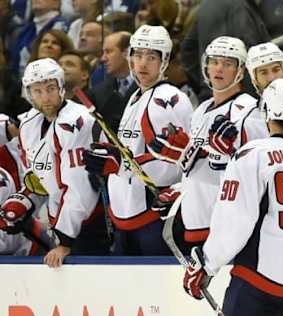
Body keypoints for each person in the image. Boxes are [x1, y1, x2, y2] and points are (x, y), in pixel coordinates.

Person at [183, 78, 283, 316]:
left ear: (266, 111)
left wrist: (207, 264)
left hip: (262, 283)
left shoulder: (252, 154)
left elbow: (234, 221)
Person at [147, 36, 268, 248]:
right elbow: (194, 167)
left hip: (226, 228)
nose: (219, 68)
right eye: (214, 62)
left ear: (240, 70)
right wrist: (180, 189)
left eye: (228, 63)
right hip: (195, 223)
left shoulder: (251, 112)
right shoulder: (201, 110)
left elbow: (255, 176)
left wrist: (218, 159)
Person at [83, 25, 193, 255]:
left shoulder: (169, 99)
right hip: (127, 215)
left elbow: (174, 164)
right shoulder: (136, 96)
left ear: (164, 61)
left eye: (151, 57)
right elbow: (134, 150)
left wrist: (120, 165)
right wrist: (112, 153)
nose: (142, 63)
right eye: (138, 55)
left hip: (153, 219)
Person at [2, 58, 109, 267]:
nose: (45, 97)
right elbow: (39, 175)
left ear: (61, 87)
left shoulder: (77, 122)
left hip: (90, 222)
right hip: (59, 219)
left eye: (50, 89)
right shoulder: (30, 122)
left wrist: (65, 241)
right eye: (38, 91)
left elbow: (79, 188)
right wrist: (24, 199)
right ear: (29, 93)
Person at [87, 31, 136, 133]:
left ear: (127, 53)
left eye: (108, 52)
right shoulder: (96, 93)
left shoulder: (149, 87)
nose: (103, 58)